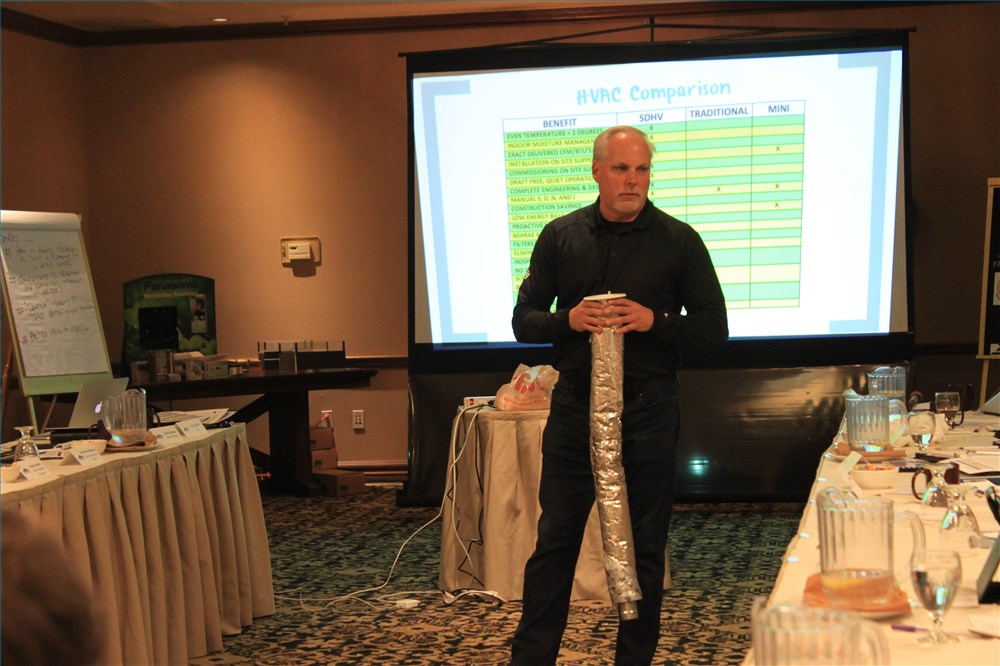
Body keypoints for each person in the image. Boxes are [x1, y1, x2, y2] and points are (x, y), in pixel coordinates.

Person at [509, 125, 728, 665]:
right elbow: (523, 319)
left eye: (642, 169)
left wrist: (656, 320)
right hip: (574, 409)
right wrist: (567, 319)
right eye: (622, 168)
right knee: (555, 541)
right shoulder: (560, 236)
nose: (633, 180)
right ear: (596, 171)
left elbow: (714, 328)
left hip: (649, 409)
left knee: (646, 546)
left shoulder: (679, 240)